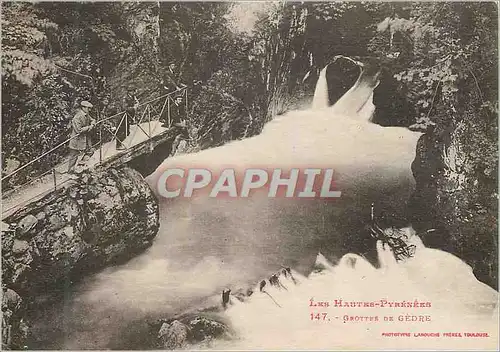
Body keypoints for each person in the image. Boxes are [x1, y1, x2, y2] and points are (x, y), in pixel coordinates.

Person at [67, 101, 95, 177]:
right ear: (83, 108)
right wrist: (89, 127)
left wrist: (92, 123)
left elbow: (92, 120)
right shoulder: (77, 117)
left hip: (85, 139)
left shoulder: (87, 115)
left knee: (90, 150)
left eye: (90, 108)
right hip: (77, 140)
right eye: (88, 108)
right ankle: (70, 172)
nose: (89, 110)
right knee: (73, 156)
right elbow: (78, 130)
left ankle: (80, 165)